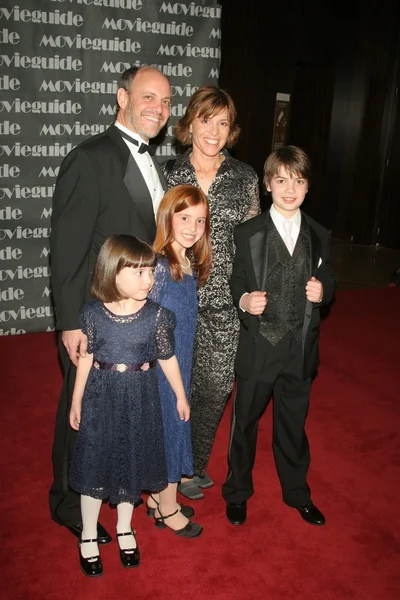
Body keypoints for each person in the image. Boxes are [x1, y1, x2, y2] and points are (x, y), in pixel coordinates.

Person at [49, 65, 171, 543]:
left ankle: (118, 484)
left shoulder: (154, 162)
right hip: (97, 315)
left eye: (164, 102)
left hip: (139, 313)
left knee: (127, 409)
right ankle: (67, 503)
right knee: (81, 410)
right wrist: (70, 323)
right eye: (147, 97)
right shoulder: (90, 158)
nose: (158, 109)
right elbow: (67, 248)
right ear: (122, 97)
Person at [222, 145, 337, 527]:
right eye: (282, 180)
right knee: (245, 423)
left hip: (298, 346)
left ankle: (297, 492)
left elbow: (331, 278)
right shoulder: (248, 232)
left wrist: (325, 291)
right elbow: (236, 278)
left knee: (293, 423)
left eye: (299, 181)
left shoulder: (319, 234)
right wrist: (244, 298)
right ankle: (237, 491)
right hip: (260, 345)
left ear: (307, 187)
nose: (291, 188)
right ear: (268, 185)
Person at [68, 234, 190, 576]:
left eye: (151, 272)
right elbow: (86, 358)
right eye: (138, 272)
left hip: (140, 398)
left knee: (130, 462)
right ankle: (89, 534)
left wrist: (180, 395)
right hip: (101, 398)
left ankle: (125, 527)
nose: (148, 280)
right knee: (95, 463)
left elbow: (168, 359)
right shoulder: (92, 315)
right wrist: (76, 400)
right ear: (112, 271)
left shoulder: (158, 316)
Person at [162, 85, 261, 500]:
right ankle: (169, 468)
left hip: (224, 302)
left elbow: (256, 241)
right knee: (173, 385)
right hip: (175, 295)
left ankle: (193, 464)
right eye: (206, 120)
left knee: (216, 386)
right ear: (190, 123)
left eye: (223, 123)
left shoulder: (244, 177)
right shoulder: (167, 172)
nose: (214, 131)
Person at [147, 184, 212, 536]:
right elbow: (152, 331)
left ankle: (158, 497)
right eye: (184, 218)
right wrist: (174, 383)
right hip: (164, 366)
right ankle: (168, 507)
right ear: (167, 218)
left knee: (173, 425)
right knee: (172, 425)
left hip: (180, 359)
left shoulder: (186, 261)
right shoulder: (159, 267)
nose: (191, 227)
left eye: (200, 221)